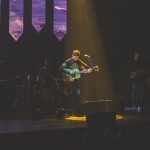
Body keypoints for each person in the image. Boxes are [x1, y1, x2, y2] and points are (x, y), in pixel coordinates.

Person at [59, 49, 92, 116]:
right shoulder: (68, 61)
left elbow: (83, 69)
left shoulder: (79, 62)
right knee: (69, 96)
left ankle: (78, 112)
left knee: (78, 95)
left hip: (76, 82)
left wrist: (87, 71)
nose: (76, 57)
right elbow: (61, 68)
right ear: (72, 55)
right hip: (69, 81)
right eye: (74, 56)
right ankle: (69, 111)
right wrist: (69, 72)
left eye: (77, 56)